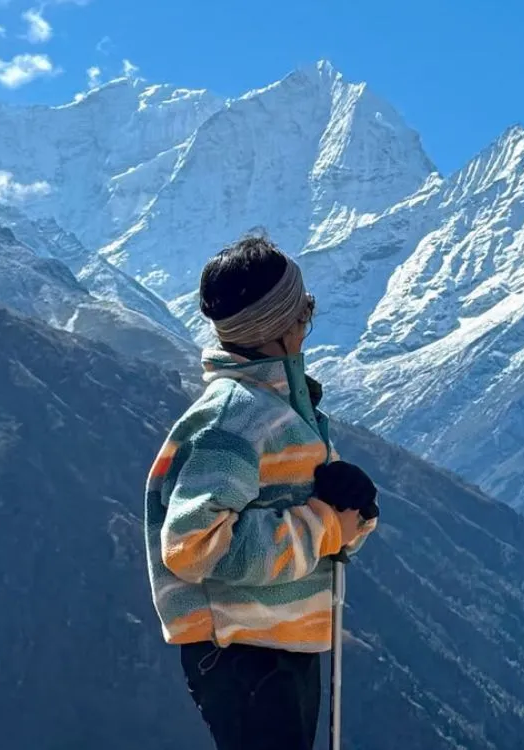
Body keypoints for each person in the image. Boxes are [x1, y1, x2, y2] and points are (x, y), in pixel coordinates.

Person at [144, 235, 379, 750]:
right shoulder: (234, 418)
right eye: (304, 311)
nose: (307, 324)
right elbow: (191, 545)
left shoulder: (285, 411)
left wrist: (353, 514)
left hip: (277, 637)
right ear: (279, 327)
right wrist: (324, 524)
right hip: (241, 648)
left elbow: (326, 526)